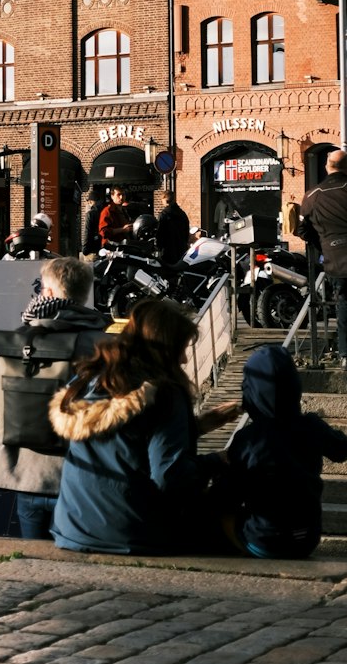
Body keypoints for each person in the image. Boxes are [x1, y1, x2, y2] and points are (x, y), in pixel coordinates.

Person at [50, 297, 239, 555]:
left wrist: (195, 427)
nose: (184, 360)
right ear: (164, 350)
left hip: (73, 528)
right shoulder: (163, 393)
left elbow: (124, 443)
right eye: (181, 349)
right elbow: (169, 477)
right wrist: (219, 460)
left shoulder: (89, 379)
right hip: (132, 533)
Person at [0, 255, 108, 539]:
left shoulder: (18, 341)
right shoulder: (105, 345)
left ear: (48, 292)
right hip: (82, 479)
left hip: (28, 477)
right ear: (84, 293)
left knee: (34, 565)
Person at [225, 344, 347, 558]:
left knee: (217, 510)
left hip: (265, 541)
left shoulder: (249, 438)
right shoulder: (311, 426)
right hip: (308, 538)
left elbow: (229, 493)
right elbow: (340, 451)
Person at [301, 150, 347, 363]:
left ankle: (345, 354)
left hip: (335, 259)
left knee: (343, 305)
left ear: (327, 166)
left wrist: (323, 245)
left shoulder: (312, 195)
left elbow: (303, 229)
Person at [156, 190, 191, 274]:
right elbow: (186, 233)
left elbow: (160, 234)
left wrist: (158, 247)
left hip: (167, 251)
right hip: (181, 249)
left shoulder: (163, 215)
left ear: (165, 200)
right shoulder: (182, 214)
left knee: (167, 273)